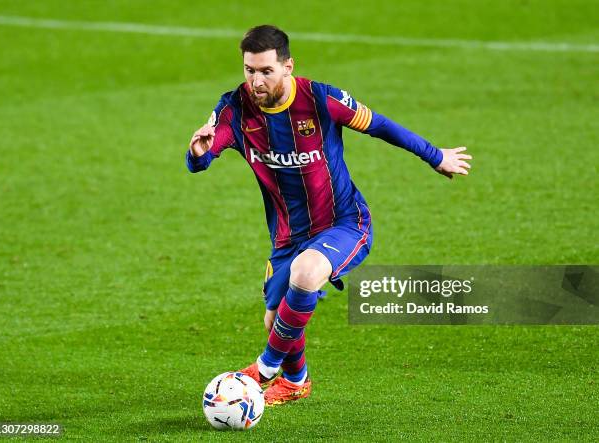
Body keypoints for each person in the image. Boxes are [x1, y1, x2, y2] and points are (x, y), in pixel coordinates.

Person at [186, 25, 472, 406]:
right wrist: (198, 151)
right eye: (249, 70)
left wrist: (435, 156)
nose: (256, 80)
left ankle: (265, 369)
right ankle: (295, 382)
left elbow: (380, 125)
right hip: (288, 236)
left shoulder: (319, 99)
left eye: (266, 70)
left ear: (288, 66)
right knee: (276, 322)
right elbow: (203, 158)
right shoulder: (234, 109)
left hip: (345, 223)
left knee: (305, 276)